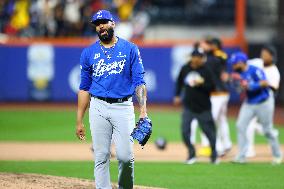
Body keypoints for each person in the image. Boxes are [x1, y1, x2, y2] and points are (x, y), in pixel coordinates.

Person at [75, 10, 148, 189]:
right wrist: (79, 120)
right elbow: (84, 88)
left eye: (104, 22)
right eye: (97, 24)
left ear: (113, 24)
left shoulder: (130, 49)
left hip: (123, 107)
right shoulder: (88, 53)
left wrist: (143, 112)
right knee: (101, 156)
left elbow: (139, 81)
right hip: (98, 106)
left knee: (125, 157)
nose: (101, 26)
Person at [229, 52, 282, 164]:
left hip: (264, 102)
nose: (233, 66)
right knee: (240, 126)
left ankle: (277, 155)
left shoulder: (254, 70)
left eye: (234, 64)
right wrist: (237, 85)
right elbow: (239, 89)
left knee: (267, 130)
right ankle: (241, 156)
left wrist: (250, 86)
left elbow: (264, 83)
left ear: (240, 62)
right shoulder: (237, 73)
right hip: (249, 103)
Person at [173, 48, 218, 164]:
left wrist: (202, 84)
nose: (197, 59)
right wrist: (177, 95)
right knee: (185, 131)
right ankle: (191, 153)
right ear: (192, 57)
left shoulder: (206, 70)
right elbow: (179, 82)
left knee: (209, 132)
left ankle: (214, 154)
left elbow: (213, 87)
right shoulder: (185, 68)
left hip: (203, 107)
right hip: (189, 106)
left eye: (200, 57)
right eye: (195, 57)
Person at [192, 37, 232, 157]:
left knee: (208, 121)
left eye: (204, 45)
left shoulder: (210, 59)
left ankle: (215, 147)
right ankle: (227, 145)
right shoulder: (215, 58)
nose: (202, 47)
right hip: (223, 94)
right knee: (222, 120)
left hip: (216, 95)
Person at [246, 45, 281, 157]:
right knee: (249, 124)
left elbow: (274, 88)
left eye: (266, 54)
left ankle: (275, 150)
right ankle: (249, 150)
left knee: (266, 129)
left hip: (266, 100)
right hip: (253, 99)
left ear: (271, 56)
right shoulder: (257, 63)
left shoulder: (274, 71)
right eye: (263, 53)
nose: (263, 55)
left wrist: (262, 84)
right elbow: (244, 64)